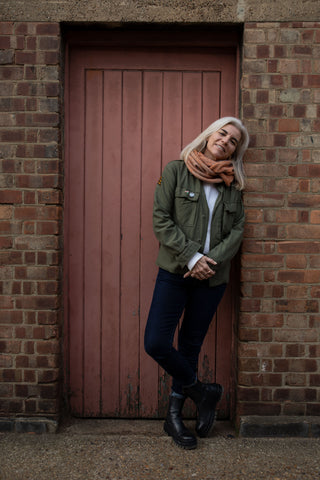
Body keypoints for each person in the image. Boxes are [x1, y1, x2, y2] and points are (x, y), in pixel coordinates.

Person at [144, 117, 249, 450]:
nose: (226, 141)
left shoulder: (233, 185)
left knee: (190, 346)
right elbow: (161, 219)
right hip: (175, 272)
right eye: (223, 134)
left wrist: (209, 263)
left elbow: (237, 231)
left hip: (212, 279)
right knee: (157, 342)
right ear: (209, 135)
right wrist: (192, 257)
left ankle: (173, 417)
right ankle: (204, 392)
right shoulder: (176, 170)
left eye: (234, 141)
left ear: (235, 151)